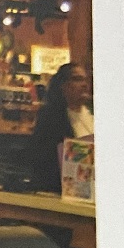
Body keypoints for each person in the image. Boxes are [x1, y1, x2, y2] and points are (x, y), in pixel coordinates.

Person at [26, 62, 94, 192]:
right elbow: (43, 159)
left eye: (86, 79)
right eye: (77, 79)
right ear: (63, 85)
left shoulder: (95, 114)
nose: (85, 85)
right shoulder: (50, 117)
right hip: (61, 190)